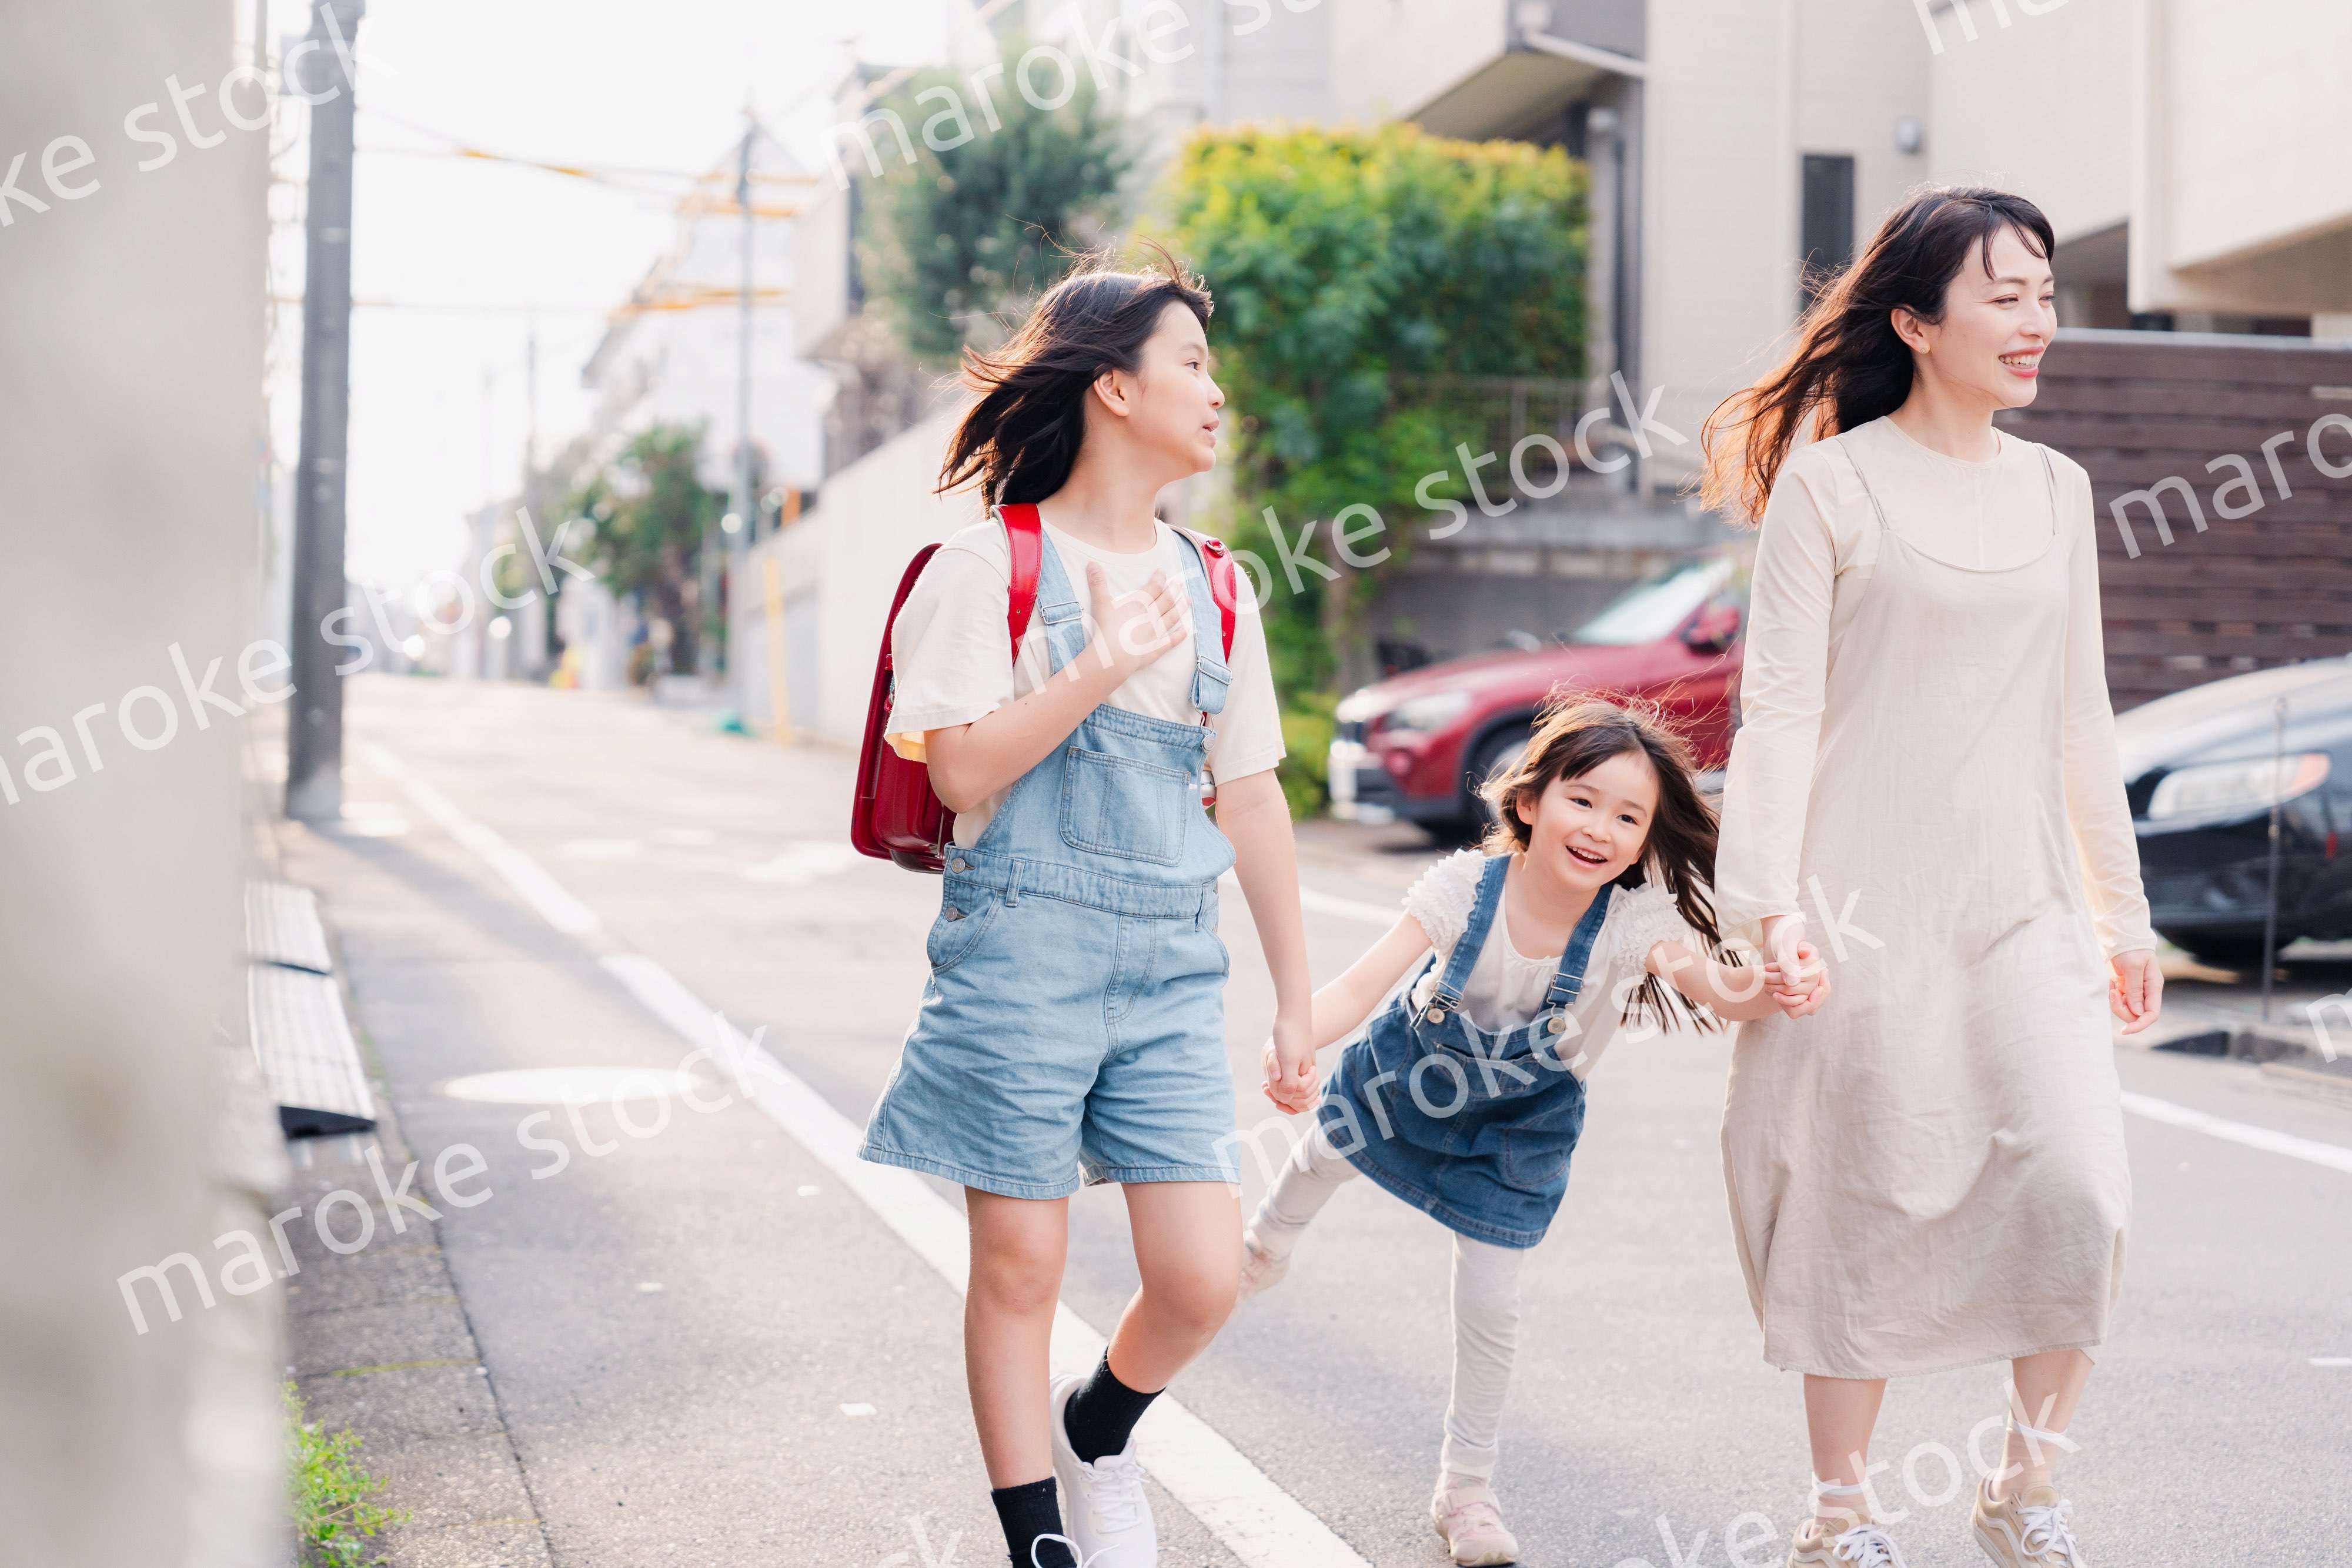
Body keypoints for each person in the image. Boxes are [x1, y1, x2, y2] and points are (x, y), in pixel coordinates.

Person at [1702, 185, 2165, 1568]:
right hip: (1857, 907)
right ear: (1913, 321)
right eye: (2004, 295)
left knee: (2078, 1187)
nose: (2037, 322)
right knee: (1862, 1200)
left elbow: (2078, 710)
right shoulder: (1829, 484)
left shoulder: (2057, 488)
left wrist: (2119, 909)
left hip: (2020, 905)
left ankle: (2022, 1490)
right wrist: (1763, 907)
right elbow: (1775, 711)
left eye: (2042, 292)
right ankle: (1837, 1514)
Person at [856, 250, 1313, 1568]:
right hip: (1019, 964)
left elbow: (1255, 799)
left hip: (1170, 971)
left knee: (1198, 1275)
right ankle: (1036, 1538)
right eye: (1191, 364)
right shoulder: (984, 564)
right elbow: (959, 768)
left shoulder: (1219, 582)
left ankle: (1099, 1424)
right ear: (1113, 388)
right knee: (1019, 1271)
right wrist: (1101, 662)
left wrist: (1290, 998)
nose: (1215, 392)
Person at [1235, 696, 1825, 1566]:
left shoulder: (1631, 924)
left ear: (1645, 838)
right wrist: (1293, 1034)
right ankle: (1265, 1247)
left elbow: (1715, 988)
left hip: (1519, 1123)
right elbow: (1358, 991)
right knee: (1327, 1148)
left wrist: (1773, 982)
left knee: (1492, 1305)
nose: (1600, 828)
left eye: (1629, 817)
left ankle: (1466, 1490)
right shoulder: (1461, 888)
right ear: (1529, 802)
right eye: (1582, 800)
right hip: (1410, 1077)